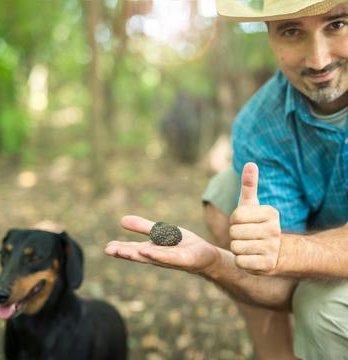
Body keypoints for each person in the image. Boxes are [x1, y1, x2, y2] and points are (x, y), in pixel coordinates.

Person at [106, 1, 348, 359]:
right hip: (318, 227)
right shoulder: (259, 124)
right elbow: (279, 286)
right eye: (292, 31)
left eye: (337, 24)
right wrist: (214, 263)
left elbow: (282, 258)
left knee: (322, 310)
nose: (318, 59)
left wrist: (284, 250)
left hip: (316, 241)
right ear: (269, 35)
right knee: (225, 193)